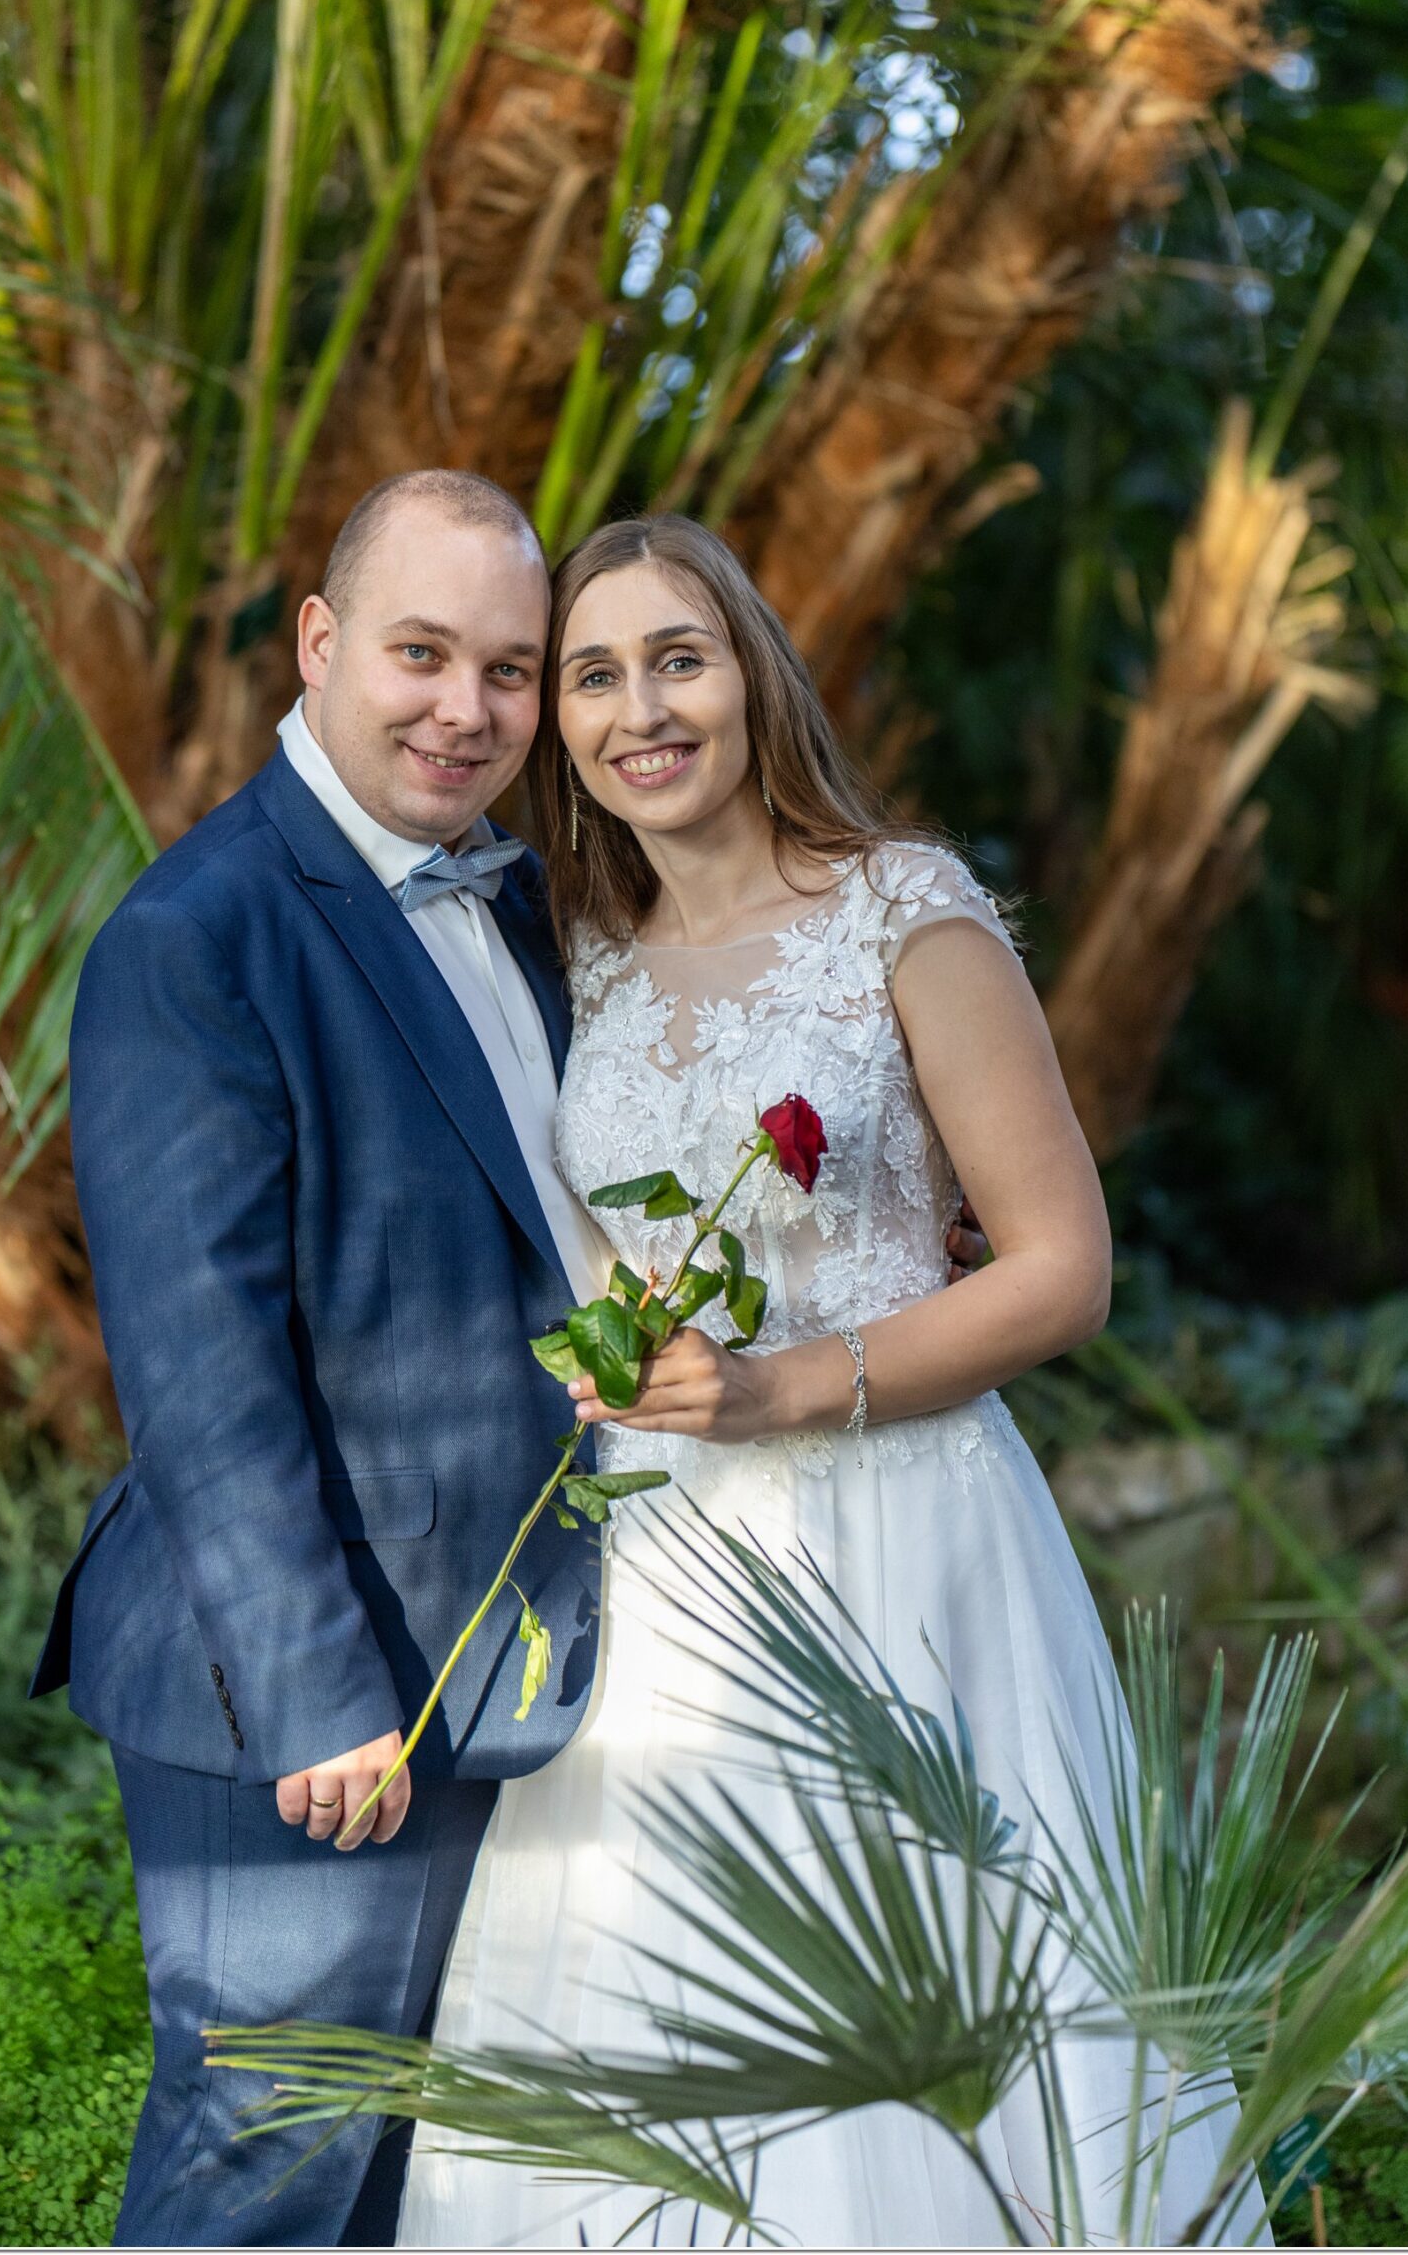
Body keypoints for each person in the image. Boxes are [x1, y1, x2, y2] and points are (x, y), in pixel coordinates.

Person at [30, 468, 991, 2247]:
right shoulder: (198, 939)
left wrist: (889, 1224)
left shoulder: (547, 904)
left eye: (508, 668)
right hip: (322, 1680)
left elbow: (615, 1189)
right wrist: (320, 1697)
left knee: (425, 2176)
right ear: (318, 643)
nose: (464, 710)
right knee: (274, 2150)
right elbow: (201, 1375)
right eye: (420, 654)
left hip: (537, 1646)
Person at [400, 513, 1271, 2251]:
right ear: (560, 720)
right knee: (655, 2005)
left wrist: (783, 1390)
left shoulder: (905, 913)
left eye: (679, 659)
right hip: (664, 1569)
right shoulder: (581, 952)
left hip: (903, 1541)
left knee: (952, 2001)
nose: (641, 710)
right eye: (593, 676)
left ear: (755, 675)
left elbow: (1060, 1268)